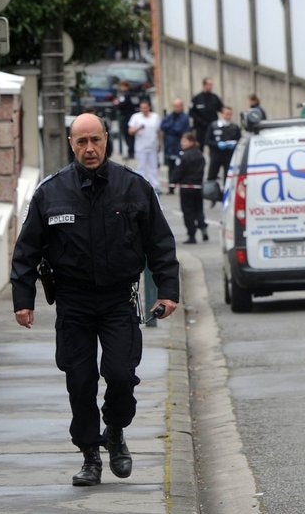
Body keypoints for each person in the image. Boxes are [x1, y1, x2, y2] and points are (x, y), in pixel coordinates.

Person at [9, 112, 179, 487]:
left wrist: (168, 291)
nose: (89, 149)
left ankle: (115, 430)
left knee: (120, 375)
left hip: (118, 300)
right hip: (73, 302)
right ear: (71, 143)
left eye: (95, 140)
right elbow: (26, 251)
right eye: (81, 142)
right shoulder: (50, 192)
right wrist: (24, 300)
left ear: (107, 138)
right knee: (80, 381)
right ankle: (90, 456)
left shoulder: (134, 187)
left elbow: (160, 243)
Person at [169, 131, 207, 243]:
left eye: (184, 141)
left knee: (188, 212)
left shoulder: (183, 155)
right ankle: (202, 226)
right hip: (198, 186)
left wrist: (172, 183)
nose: (182, 143)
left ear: (191, 142)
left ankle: (192, 235)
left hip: (186, 187)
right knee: (199, 209)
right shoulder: (200, 154)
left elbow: (179, 171)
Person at [127, 99, 162, 193]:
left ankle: (155, 186)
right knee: (141, 167)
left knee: (153, 167)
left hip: (152, 145)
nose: (144, 110)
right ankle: (141, 185)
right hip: (141, 147)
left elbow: (158, 131)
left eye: (145, 108)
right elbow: (130, 131)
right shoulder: (136, 117)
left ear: (149, 107)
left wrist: (159, 143)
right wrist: (138, 128)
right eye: (142, 108)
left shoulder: (155, 117)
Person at [205, 105, 242, 193]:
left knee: (228, 175)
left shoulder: (234, 127)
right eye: (226, 114)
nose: (228, 116)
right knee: (212, 175)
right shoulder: (214, 125)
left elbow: (239, 140)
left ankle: (226, 192)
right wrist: (217, 144)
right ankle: (210, 193)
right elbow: (207, 140)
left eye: (230, 114)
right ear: (222, 114)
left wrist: (234, 144)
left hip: (229, 155)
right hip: (216, 154)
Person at [190, 77, 223, 171]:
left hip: (212, 128)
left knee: (214, 149)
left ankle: (214, 170)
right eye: (209, 84)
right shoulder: (197, 98)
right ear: (204, 85)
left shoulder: (214, 98)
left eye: (211, 85)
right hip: (201, 128)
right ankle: (198, 169)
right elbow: (191, 112)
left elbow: (221, 109)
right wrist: (200, 122)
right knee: (199, 149)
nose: (211, 86)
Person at [161, 98, 191, 185]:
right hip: (169, 146)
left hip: (179, 146)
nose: (177, 108)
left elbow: (180, 129)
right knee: (170, 167)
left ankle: (181, 183)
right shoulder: (169, 116)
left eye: (178, 106)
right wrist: (171, 128)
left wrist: (169, 129)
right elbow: (163, 126)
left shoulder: (185, 117)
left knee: (180, 166)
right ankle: (171, 186)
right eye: (175, 106)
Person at [114, 80, 142, 160]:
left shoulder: (126, 95)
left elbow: (122, 105)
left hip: (127, 117)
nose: (120, 88)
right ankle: (131, 152)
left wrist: (117, 103)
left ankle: (131, 152)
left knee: (128, 135)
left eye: (122, 86)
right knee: (130, 136)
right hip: (131, 116)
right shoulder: (132, 94)